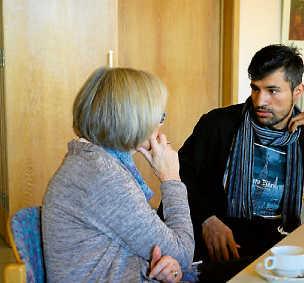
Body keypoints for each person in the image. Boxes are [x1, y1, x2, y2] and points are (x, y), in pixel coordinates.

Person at [179, 44, 304, 281]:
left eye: (273, 91)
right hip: (222, 242)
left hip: (277, 243)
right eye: (255, 89)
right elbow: (178, 176)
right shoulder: (219, 124)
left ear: (297, 90)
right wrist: (206, 219)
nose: (261, 101)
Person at [42, 67, 195, 282]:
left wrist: (169, 267)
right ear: (135, 121)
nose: (161, 125)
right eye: (160, 116)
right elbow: (183, 252)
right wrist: (171, 178)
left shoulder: (90, 161)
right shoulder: (102, 177)